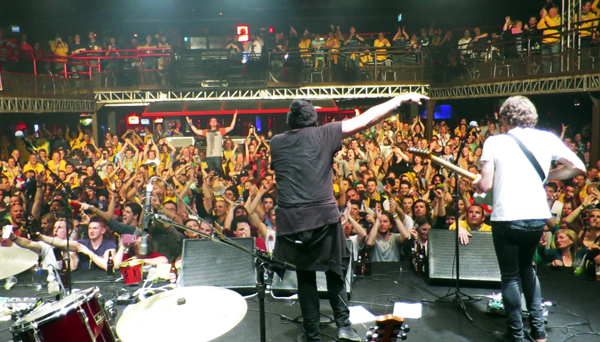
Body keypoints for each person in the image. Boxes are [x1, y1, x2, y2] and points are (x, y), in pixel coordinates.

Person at [270, 92, 427, 342]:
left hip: (291, 222)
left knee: (305, 276)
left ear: (290, 121)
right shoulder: (324, 133)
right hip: (322, 217)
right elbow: (365, 121)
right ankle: (343, 326)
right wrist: (399, 100)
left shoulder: (276, 142)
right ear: (314, 120)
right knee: (335, 272)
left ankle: (312, 334)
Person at [474, 95, 586, 342]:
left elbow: (486, 184)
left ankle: (515, 334)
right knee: (528, 270)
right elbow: (578, 167)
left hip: (507, 218)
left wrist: (477, 183)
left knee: (510, 276)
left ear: (504, 118)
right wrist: (548, 174)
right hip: (537, 217)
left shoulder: (495, 142)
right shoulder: (546, 138)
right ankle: (538, 331)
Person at [186, 111, 238, 176]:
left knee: (219, 171)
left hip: (217, 156)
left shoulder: (220, 131)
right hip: (209, 156)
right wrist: (190, 124)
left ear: (217, 123)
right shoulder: (206, 131)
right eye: (212, 121)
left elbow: (231, 127)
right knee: (211, 172)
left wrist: (234, 117)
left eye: (215, 121)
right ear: (209, 123)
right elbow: (196, 131)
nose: (213, 122)